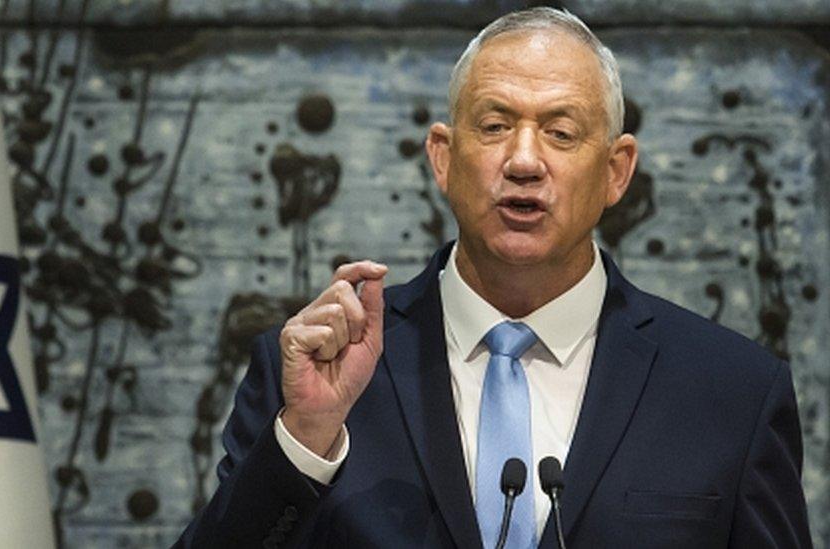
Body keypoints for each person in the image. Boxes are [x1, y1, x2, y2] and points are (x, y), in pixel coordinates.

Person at [175, 7, 812, 548]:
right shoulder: (320, 373)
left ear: (618, 171)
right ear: (444, 159)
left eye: (561, 132)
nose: (525, 161)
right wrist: (305, 439)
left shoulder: (731, 393)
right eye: (495, 126)